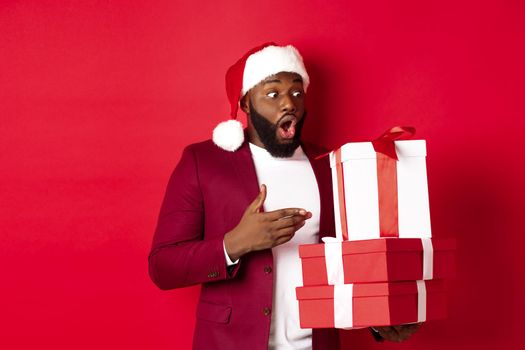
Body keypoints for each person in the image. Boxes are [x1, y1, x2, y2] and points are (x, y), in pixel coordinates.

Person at [148, 43, 420, 350]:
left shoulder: (330, 164)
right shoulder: (203, 162)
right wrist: (235, 243)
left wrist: (378, 318)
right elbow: (163, 266)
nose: (289, 103)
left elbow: (349, 261)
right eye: (273, 93)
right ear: (246, 103)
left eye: (297, 92)